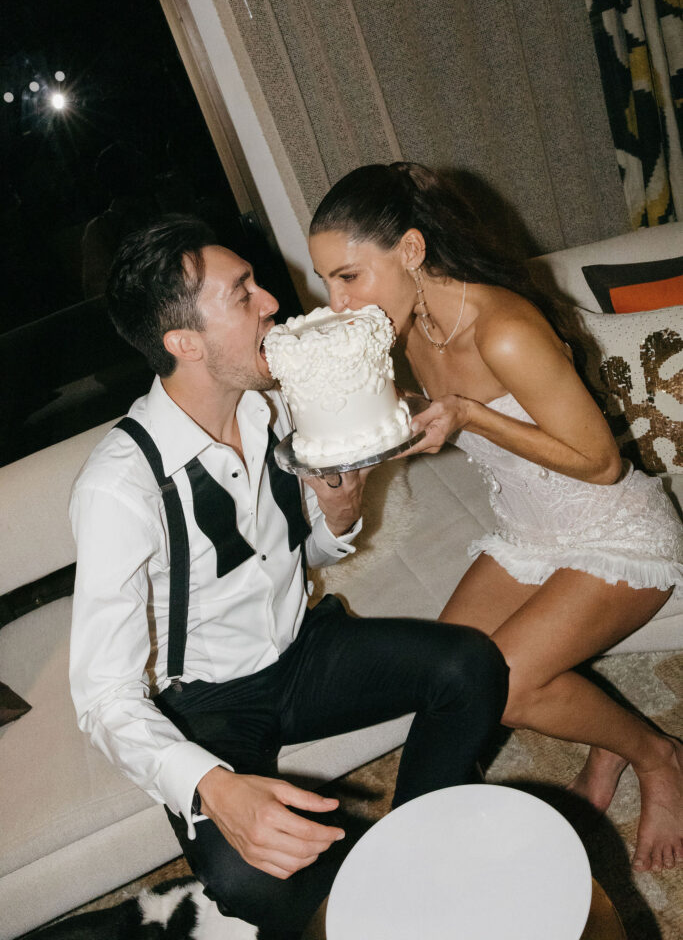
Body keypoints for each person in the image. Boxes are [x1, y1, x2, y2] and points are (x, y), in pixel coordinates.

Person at [69, 215, 508, 939]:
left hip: (303, 651)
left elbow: (300, 553)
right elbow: (102, 697)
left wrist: (336, 515)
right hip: (209, 704)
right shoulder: (121, 486)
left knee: (469, 665)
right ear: (184, 343)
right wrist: (214, 787)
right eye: (243, 295)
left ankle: (419, 851)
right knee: (248, 882)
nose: (273, 301)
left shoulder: (273, 406)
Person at [308, 161, 683, 875]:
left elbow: (600, 463)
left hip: (617, 535)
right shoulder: (405, 327)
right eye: (327, 280)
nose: (336, 300)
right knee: (450, 677)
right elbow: (416, 421)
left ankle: (655, 753)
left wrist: (470, 414)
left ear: (412, 251)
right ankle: (594, 749)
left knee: (504, 688)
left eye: (348, 276)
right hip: (528, 535)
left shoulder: (503, 328)